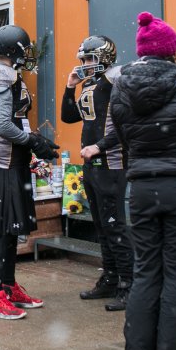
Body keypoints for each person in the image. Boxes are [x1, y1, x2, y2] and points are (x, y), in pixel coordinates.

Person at [110, 12, 176, 350]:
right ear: (172, 51)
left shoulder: (120, 89)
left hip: (141, 189)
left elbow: (124, 139)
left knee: (145, 270)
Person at [0, 24, 58, 320]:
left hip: (15, 161)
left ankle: (7, 287)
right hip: (4, 163)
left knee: (11, 230)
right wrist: (32, 141)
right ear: (14, 49)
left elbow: (15, 121)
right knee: (2, 230)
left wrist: (34, 146)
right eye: (24, 47)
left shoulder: (9, 74)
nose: (28, 53)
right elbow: (3, 126)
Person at [61, 35, 133, 311]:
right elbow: (69, 117)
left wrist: (99, 146)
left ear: (103, 58)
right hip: (92, 165)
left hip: (111, 163)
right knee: (102, 226)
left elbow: (125, 126)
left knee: (115, 226)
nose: (85, 65)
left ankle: (129, 283)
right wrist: (70, 88)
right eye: (84, 60)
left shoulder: (117, 81)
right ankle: (111, 278)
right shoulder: (90, 83)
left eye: (90, 59)